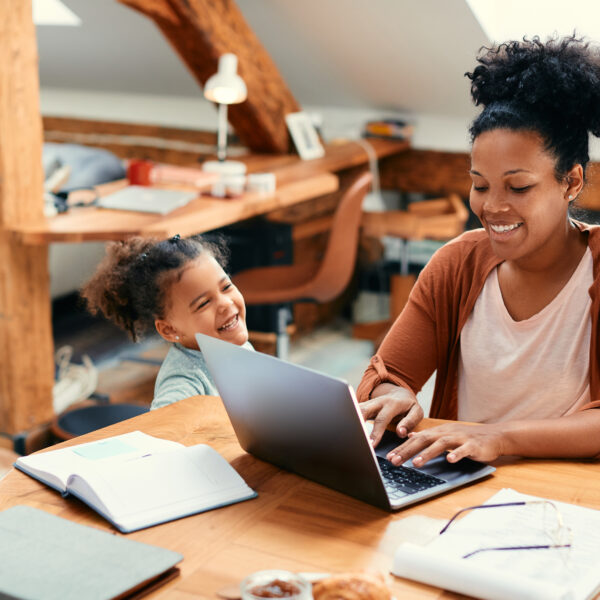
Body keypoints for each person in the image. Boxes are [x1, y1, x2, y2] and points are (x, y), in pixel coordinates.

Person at [357, 35, 600, 466]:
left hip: (570, 503)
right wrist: (394, 396)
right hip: (464, 491)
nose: (491, 207)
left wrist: (500, 438)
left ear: (573, 181)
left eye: (518, 187)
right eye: (480, 184)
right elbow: (387, 373)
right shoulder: (457, 265)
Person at [81, 234, 251, 410]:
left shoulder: (233, 344)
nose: (225, 303)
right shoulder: (184, 382)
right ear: (169, 329)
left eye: (226, 287)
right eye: (203, 304)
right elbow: (162, 428)